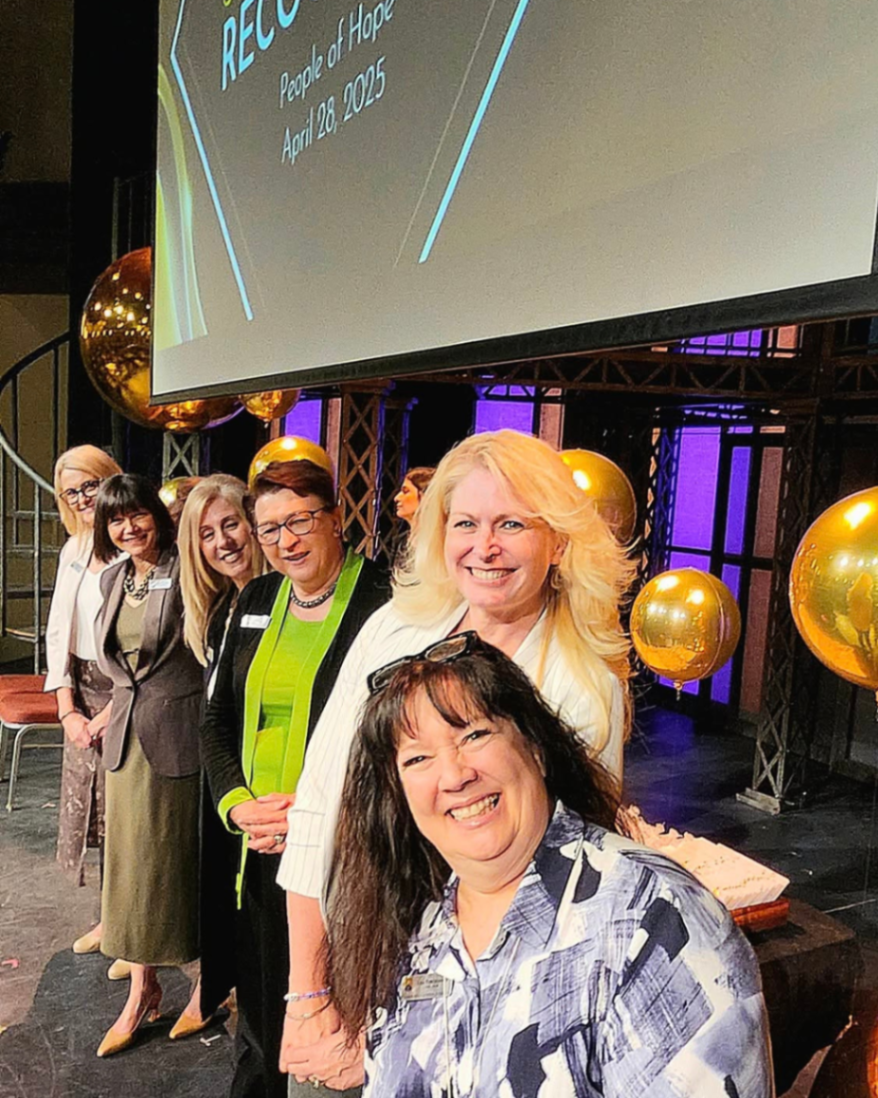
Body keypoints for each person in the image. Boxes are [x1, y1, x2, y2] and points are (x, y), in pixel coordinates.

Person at [278, 428, 635, 1089]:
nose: (484, 546)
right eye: (465, 523)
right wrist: (307, 993)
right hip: (345, 963)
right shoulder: (396, 627)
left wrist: (394, 1034)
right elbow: (320, 803)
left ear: (558, 540)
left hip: (470, 1011)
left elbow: (552, 895)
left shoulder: (585, 686)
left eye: (511, 524)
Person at [328, 636, 773, 1097]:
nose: (455, 776)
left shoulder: (652, 917)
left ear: (535, 748)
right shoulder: (418, 927)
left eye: (475, 735)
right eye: (418, 758)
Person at [200, 458, 388, 1098]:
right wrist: (237, 805)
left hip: (346, 846)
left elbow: (393, 734)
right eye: (270, 529)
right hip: (257, 845)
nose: (286, 541)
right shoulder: (254, 600)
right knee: (260, 1014)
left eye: (301, 521)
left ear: (335, 518)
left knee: (331, 1012)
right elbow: (215, 718)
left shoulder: (384, 601)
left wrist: (310, 814)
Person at [92, 474, 205, 1057]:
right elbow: (115, 663)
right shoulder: (112, 578)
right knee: (130, 866)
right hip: (125, 740)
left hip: (178, 733)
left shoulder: (189, 571)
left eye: (137, 514)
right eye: (116, 519)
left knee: (176, 861)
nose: (128, 527)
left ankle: (208, 981)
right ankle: (143, 987)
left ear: (157, 517)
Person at [176, 474, 266, 1039]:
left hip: (264, 786)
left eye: (230, 525)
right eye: (206, 534)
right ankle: (217, 987)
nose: (223, 542)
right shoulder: (218, 608)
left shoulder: (287, 597)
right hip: (227, 778)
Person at [45, 444, 123, 955]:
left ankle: (129, 923)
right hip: (82, 694)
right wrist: (67, 708)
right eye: (71, 493)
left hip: (127, 694)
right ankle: (106, 917)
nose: (82, 499)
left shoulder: (133, 546)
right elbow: (58, 632)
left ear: (110, 480)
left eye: (90, 486)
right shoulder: (73, 550)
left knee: (124, 815)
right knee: (93, 813)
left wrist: (114, 710)